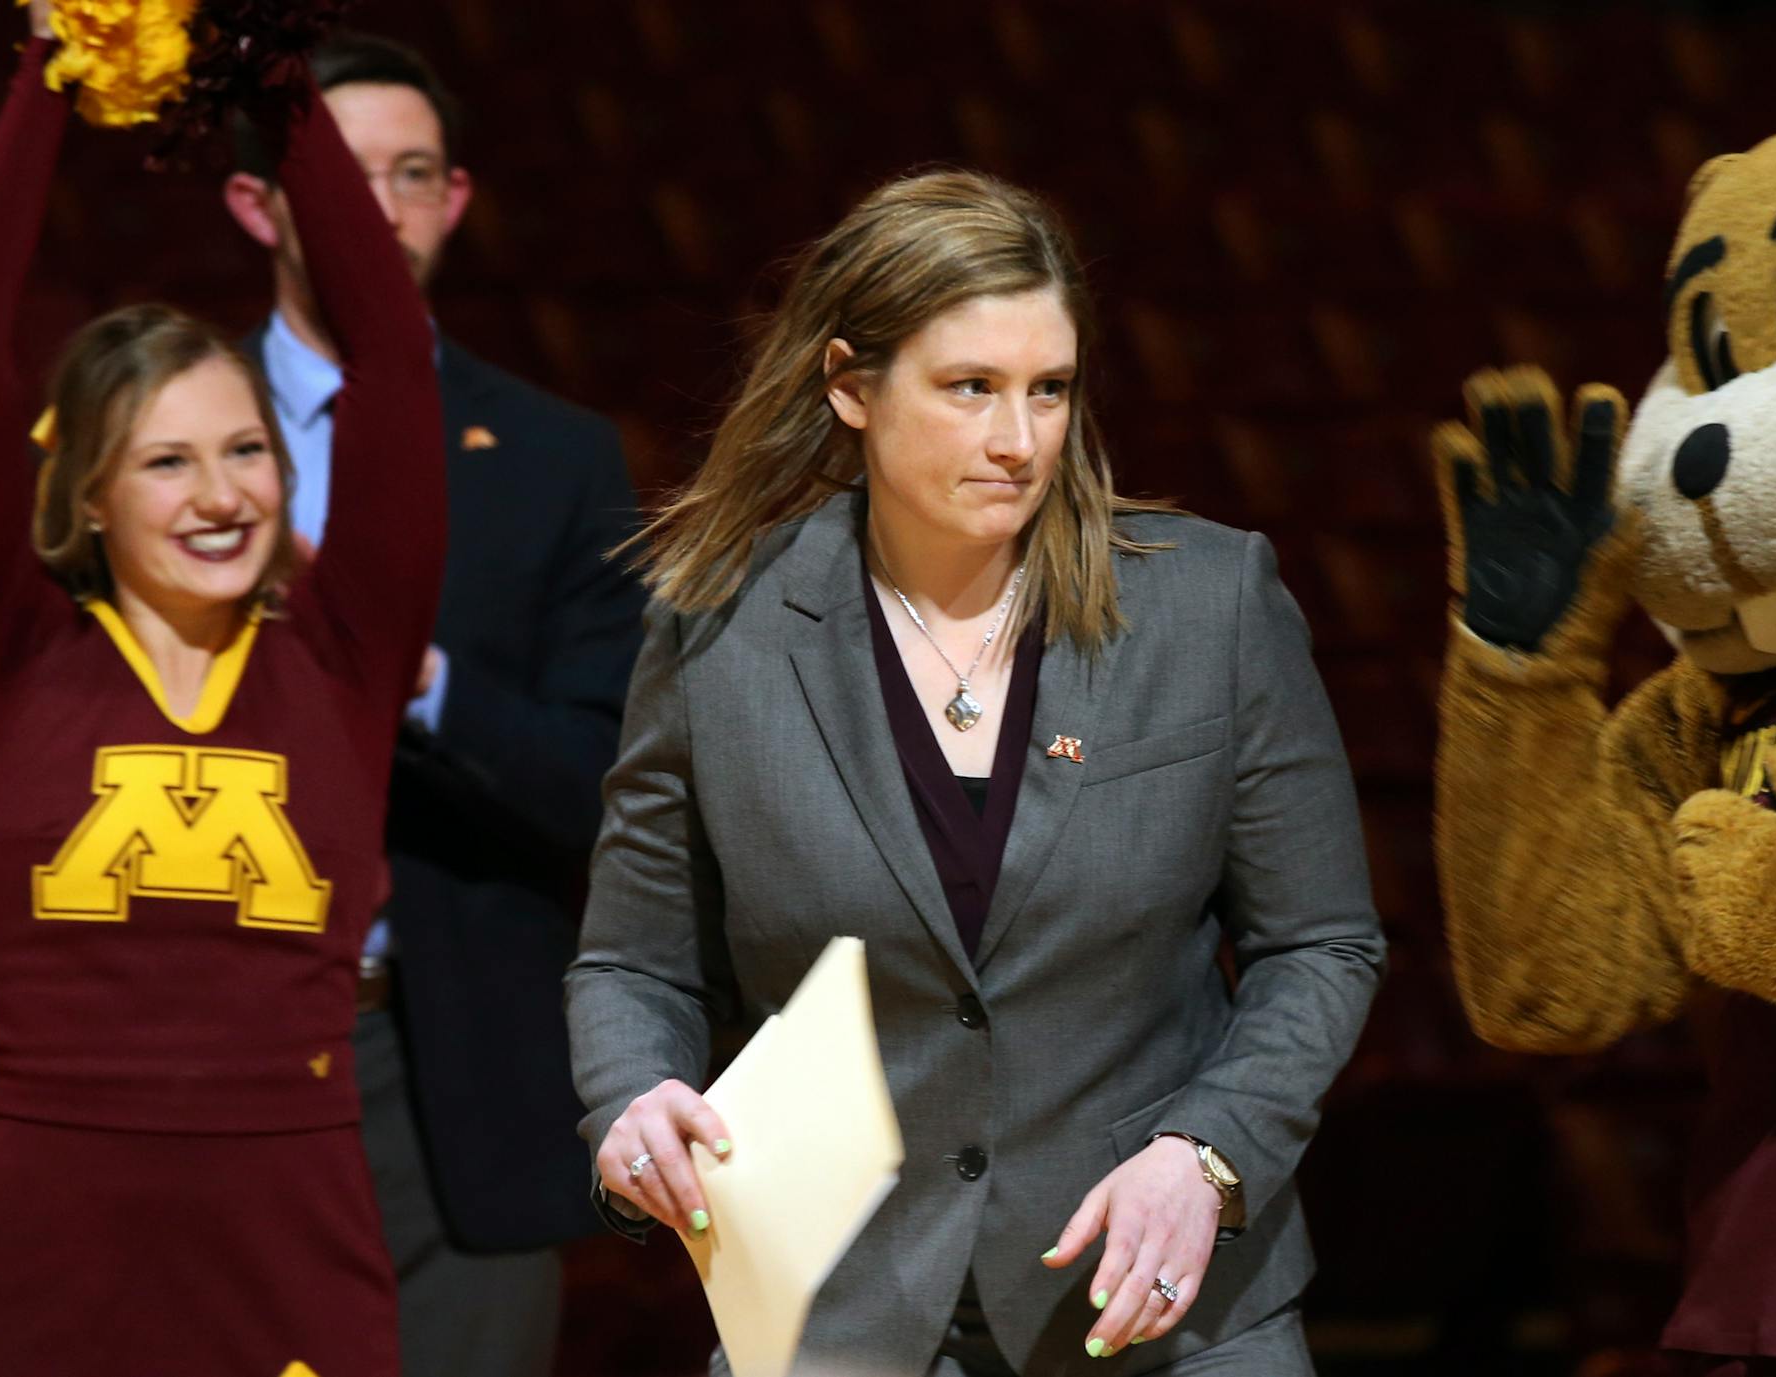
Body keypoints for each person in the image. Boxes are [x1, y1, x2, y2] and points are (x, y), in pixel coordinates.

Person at [566, 166, 1386, 1375]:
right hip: (835, 1313)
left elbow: (1321, 945)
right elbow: (634, 962)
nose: (1018, 441)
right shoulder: (719, 628)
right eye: (970, 389)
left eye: (1048, 390)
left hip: (1164, 1307)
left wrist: (1206, 1155)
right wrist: (631, 1101)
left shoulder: (1211, 603)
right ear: (851, 385)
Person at [0, 6, 441, 1376]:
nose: (222, 492)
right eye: (168, 462)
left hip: (288, 1230)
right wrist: (54, 71)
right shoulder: (18, 653)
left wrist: (276, 81)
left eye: (245, 448)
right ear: (89, 497)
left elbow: (392, 355)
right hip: (40, 1225)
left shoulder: (345, 656)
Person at [220, 32, 645, 1377]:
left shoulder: (555, 458)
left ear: (453, 201)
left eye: (412, 177)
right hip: (199, 1046)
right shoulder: (156, 438)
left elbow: (612, 787)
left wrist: (423, 680)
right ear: (258, 205)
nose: (381, 211)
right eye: (344, 178)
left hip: (448, 1060)